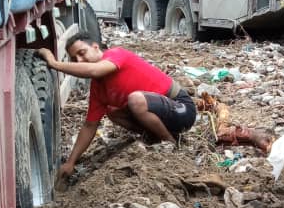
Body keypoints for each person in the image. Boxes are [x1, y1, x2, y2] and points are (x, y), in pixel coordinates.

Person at [35, 31, 196, 179]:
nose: (79, 60)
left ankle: (169, 143)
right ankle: (153, 136)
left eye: (82, 53)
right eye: (74, 59)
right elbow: (89, 126)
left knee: (136, 100)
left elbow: (94, 70)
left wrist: (54, 64)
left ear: (95, 47)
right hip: (160, 114)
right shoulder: (98, 88)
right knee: (113, 112)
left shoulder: (115, 54)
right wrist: (71, 162)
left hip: (182, 109)